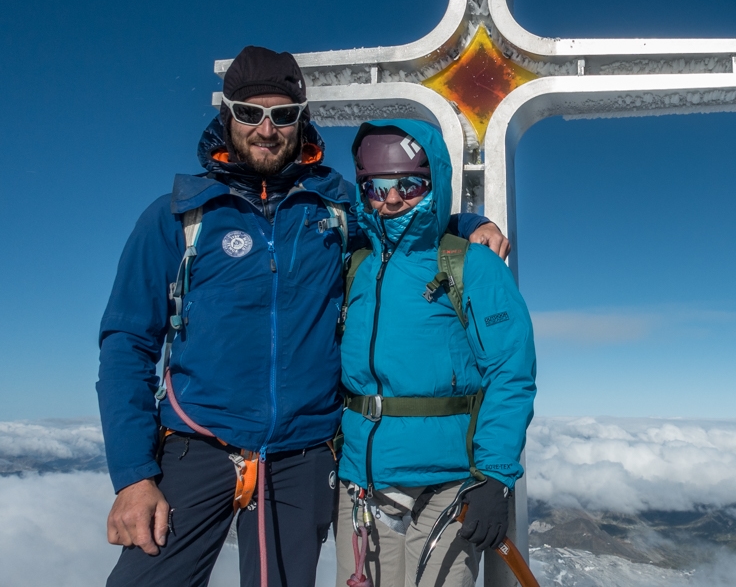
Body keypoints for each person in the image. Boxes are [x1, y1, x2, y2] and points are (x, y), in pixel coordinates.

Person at [98, 46, 508, 587]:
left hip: (302, 456)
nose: (266, 129)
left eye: (283, 114)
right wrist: (133, 476)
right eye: (250, 112)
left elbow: (405, 224)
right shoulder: (179, 215)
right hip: (197, 445)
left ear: (302, 119)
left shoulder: (334, 208)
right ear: (227, 115)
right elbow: (127, 343)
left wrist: (469, 221)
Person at [335, 120, 536, 587]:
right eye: (376, 186)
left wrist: (496, 474)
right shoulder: (356, 263)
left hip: (446, 483)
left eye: (409, 184)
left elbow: (510, 373)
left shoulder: (472, 265)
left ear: (434, 183)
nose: (391, 199)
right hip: (361, 480)